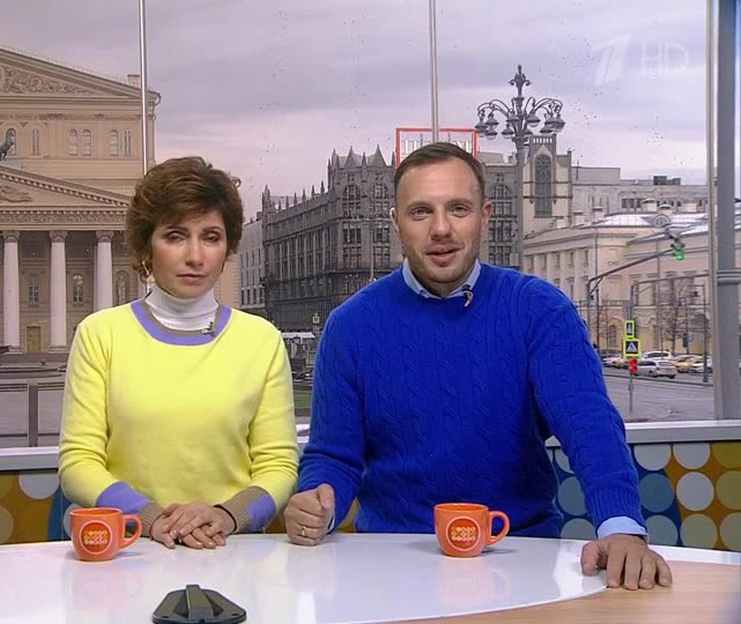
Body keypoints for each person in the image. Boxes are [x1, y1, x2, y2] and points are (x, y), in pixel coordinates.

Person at [284, 143, 672, 590]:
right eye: (421, 212)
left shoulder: (540, 311)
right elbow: (334, 456)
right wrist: (319, 503)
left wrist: (621, 526)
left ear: (485, 217)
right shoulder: (350, 326)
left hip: (520, 559)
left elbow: (590, 427)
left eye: (459, 209)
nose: (441, 229)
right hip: (389, 563)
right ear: (395, 223)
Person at [58, 156, 299, 550]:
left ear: (228, 246)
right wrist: (152, 519)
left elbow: (279, 467)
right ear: (146, 245)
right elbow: (78, 464)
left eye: (211, 237)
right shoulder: (101, 335)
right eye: (175, 236)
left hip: (231, 551)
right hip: (131, 551)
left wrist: (225, 516)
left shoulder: (261, 340)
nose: (195, 256)